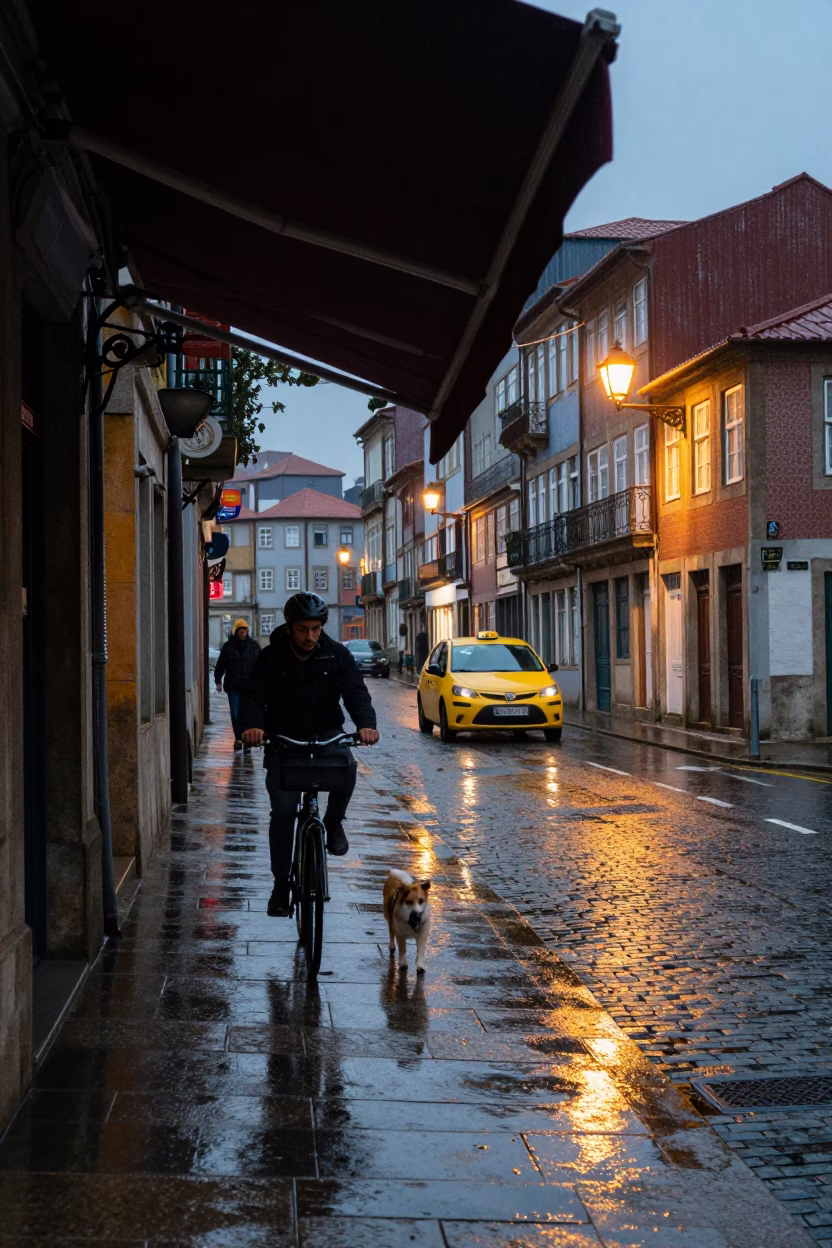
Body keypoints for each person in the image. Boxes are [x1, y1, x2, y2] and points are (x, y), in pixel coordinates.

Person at [240, 591, 379, 917]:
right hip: (283, 740)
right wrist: (252, 727)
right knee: (285, 812)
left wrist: (366, 725)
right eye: (303, 629)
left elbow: (356, 691)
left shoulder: (335, 654)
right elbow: (252, 697)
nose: (310, 637)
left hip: (326, 734)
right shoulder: (272, 657)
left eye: (316, 629)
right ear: (290, 627)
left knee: (347, 766)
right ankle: (280, 884)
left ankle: (333, 822)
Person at [214, 619, 261, 750]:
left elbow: (261, 664)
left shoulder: (254, 646)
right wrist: (218, 679)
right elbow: (221, 664)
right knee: (235, 713)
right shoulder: (228, 647)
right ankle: (239, 738)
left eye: (245, 630)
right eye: (241, 630)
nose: (243, 633)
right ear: (236, 632)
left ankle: (246, 739)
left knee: (247, 713)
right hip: (233, 686)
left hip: (249, 687)